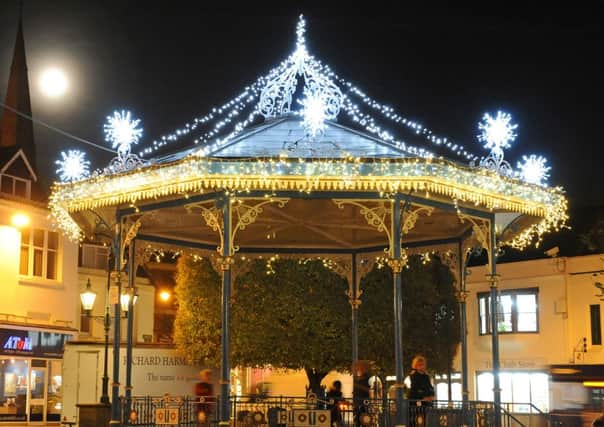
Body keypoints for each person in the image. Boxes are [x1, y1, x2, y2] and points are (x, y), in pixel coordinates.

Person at [407, 355, 434, 427]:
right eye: (419, 365)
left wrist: (431, 395)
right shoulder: (413, 375)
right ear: (415, 366)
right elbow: (415, 389)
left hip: (426, 403)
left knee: (425, 420)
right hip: (415, 402)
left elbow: (430, 387)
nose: (421, 366)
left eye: (422, 365)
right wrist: (423, 397)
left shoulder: (426, 376)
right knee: (414, 420)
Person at [352, 361, 371, 427]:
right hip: (358, 402)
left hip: (364, 402)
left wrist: (358, 386)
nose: (357, 370)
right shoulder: (357, 379)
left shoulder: (367, 379)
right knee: (357, 419)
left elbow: (369, 390)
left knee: (365, 419)